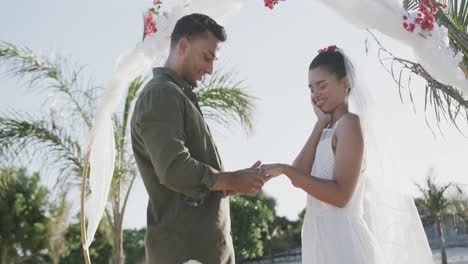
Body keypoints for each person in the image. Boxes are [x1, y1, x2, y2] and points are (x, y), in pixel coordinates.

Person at [259, 46, 432, 263]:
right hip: (319, 239)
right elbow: (299, 175)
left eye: (322, 86)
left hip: (344, 243)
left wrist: (284, 169)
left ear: (345, 83)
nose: (315, 94)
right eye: (311, 88)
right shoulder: (325, 130)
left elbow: (341, 196)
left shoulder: (349, 124)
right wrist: (320, 124)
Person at [131, 13, 268, 264]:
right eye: (207, 57)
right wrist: (233, 179)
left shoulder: (177, 95)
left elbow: (195, 186)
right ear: (183, 45)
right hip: (184, 254)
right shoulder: (161, 94)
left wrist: (237, 183)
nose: (210, 69)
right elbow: (175, 170)